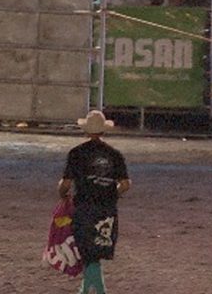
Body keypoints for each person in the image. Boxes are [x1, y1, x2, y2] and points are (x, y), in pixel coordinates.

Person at [58, 110, 131, 294]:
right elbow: (125, 184)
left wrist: (62, 193)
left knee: (86, 249)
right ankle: (91, 288)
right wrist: (112, 194)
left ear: (87, 131)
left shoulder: (76, 153)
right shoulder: (115, 155)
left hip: (84, 206)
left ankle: (96, 289)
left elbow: (66, 183)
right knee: (96, 249)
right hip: (106, 208)